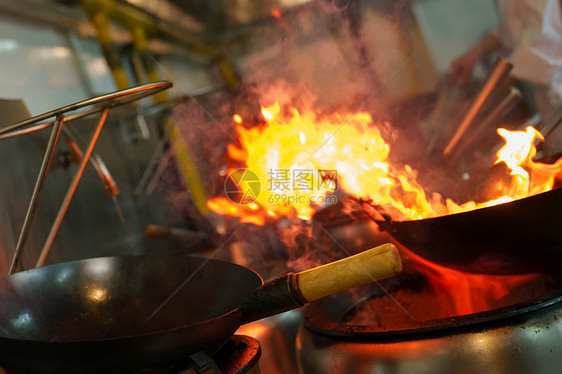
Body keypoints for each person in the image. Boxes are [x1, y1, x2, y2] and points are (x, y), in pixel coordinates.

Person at [450, 0, 562, 155]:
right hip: (540, 98)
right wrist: (475, 53)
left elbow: (539, 43)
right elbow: (513, 26)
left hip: (555, 94)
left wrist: (482, 101)